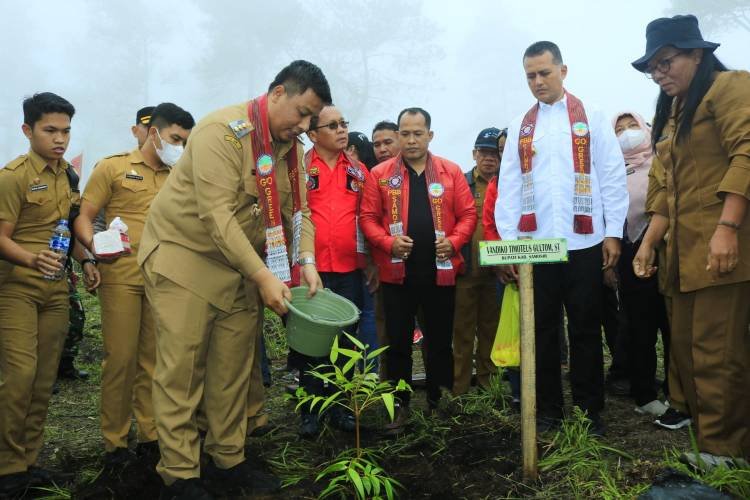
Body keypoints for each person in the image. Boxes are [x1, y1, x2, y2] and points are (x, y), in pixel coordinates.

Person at [138, 60, 330, 498]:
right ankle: (180, 473)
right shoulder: (220, 132)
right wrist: (263, 275)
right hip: (184, 257)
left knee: (233, 372)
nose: (303, 126)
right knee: (182, 371)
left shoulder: (292, 152)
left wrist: (307, 261)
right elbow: (217, 215)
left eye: (311, 120)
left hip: (239, 268)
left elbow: (298, 212)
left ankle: (228, 460)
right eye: (300, 113)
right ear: (277, 93)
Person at [632, 14, 750, 469]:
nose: (659, 74)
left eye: (666, 62)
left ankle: (728, 450)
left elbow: (746, 150)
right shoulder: (677, 110)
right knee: (685, 351)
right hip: (682, 255)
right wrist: (648, 243)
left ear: (696, 53)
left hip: (723, 249)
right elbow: (666, 187)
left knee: (718, 353)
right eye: (653, 68)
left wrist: (728, 228)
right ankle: (709, 443)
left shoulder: (728, 87)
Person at [496, 41, 628, 435]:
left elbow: (611, 175)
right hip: (537, 246)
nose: (537, 82)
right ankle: (550, 411)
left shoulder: (592, 115)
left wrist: (613, 232)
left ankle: (590, 412)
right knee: (542, 331)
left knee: (586, 328)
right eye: (530, 76)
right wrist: (508, 243)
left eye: (544, 73)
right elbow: (509, 185)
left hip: (584, 242)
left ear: (563, 71)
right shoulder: (522, 123)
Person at [75, 103, 195, 466]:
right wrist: (92, 250)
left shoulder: (180, 175)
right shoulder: (113, 167)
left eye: (185, 141)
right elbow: (84, 216)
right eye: (175, 138)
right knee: (121, 360)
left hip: (164, 281)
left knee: (155, 362)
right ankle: (115, 440)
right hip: (122, 279)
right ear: (154, 132)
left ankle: (151, 434)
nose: (180, 146)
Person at [0, 93, 100, 496]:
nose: (60, 139)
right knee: (20, 376)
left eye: (66, 131)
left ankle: (29, 461)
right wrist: (29, 259)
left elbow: (67, 227)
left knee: (43, 381)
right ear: (28, 130)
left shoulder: (68, 177)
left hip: (56, 289)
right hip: (15, 289)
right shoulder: (13, 176)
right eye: (51, 130)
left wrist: (88, 259)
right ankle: (7, 470)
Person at [360, 107, 476, 432]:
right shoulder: (380, 174)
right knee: (397, 343)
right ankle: (399, 405)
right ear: (397, 135)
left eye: (417, 133)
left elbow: (468, 214)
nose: (411, 140)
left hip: (440, 272)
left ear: (430, 135)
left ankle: (440, 402)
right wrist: (387, 243)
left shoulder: (450, 172)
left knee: (439, 342)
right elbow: (367, 218)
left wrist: (454, 242)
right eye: (405, 133)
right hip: (397, 275)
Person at [295, 106, 375, 437]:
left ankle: (342, 407)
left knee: (346, 341)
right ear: (313, 135)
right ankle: (311, 411)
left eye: (344, 124)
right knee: (309, 344)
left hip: (349, 269)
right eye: (333, 125)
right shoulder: (298, 169)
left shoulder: (358, 171)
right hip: (311, 270)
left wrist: (371, 262)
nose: (342, 130)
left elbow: (368, 218)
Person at [610, 111, 671, 417]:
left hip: (670, 247)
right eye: (619, 129)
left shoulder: (663, 160)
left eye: (632, 125)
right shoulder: (610, 170)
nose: (627, 133)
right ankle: (645, 393)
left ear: (646, 128)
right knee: (640, 325)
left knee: (673, 323)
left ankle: (678, 392)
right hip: (630, 251)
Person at [452, 127, 502, 395]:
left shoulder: (508, 183)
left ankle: (488, 386)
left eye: (494, 153)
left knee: (491, 332)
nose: (489, 158)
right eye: (484, 152)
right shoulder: (461, 183)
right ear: (474, 154)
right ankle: (459, 390)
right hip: (466, 271)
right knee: (462, 333)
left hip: (498, 272)